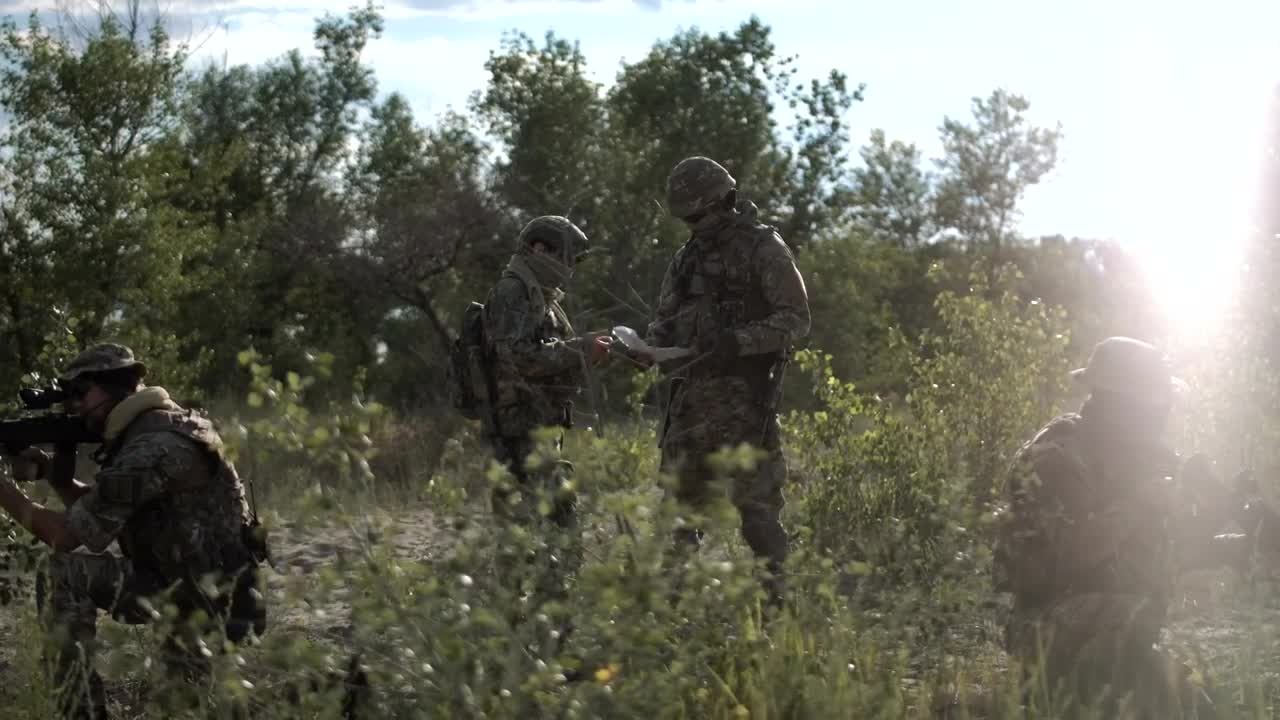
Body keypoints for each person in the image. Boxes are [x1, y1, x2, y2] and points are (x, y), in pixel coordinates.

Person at [0, 343, 267, 719]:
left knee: (62, 572)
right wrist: (58, 478)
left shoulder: (153, 447)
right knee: (187, 704)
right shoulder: (158, 427)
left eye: (81, 393)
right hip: (186, 586)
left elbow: (65, 537)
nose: (73, 406)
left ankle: (79, 711)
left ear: (116, 388)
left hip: (202, 601)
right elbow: (103, 515)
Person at [993, 336, 1236, 718]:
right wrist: (1139, 504)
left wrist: (1232, 535)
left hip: (1115, 631)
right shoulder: (1054, 459)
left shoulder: (1136, 458)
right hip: (1044, 628)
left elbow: (1166, 556)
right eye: (1155, 408)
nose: (1163, 418)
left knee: (1194, 704)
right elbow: (1054, 565)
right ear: (1118, 406)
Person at [643, 156, 810, 607]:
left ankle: (778, 618)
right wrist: (644, 348)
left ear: (725, 200)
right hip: (690, 407)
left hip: (746, 408)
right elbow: (666, 320)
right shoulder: (686, 258)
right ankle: (664, 620)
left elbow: (796, 320)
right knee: (677, 516)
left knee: (757, 517)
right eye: (687, 218)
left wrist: (739, 341)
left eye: (700, 215)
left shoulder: (763, 249)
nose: (694, 226)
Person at [481, 215, 610, 596]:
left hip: (537, 428)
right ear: (538, 249)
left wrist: (595, 350)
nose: (569, 268)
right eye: (564, 257)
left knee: (544, 527)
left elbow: (551, 353)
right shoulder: (512, 292)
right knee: (549, 526)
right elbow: (518, 357)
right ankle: (538, 613)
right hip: (516, 431)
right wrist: (579, 349)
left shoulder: (542, 299)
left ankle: (543, 611)